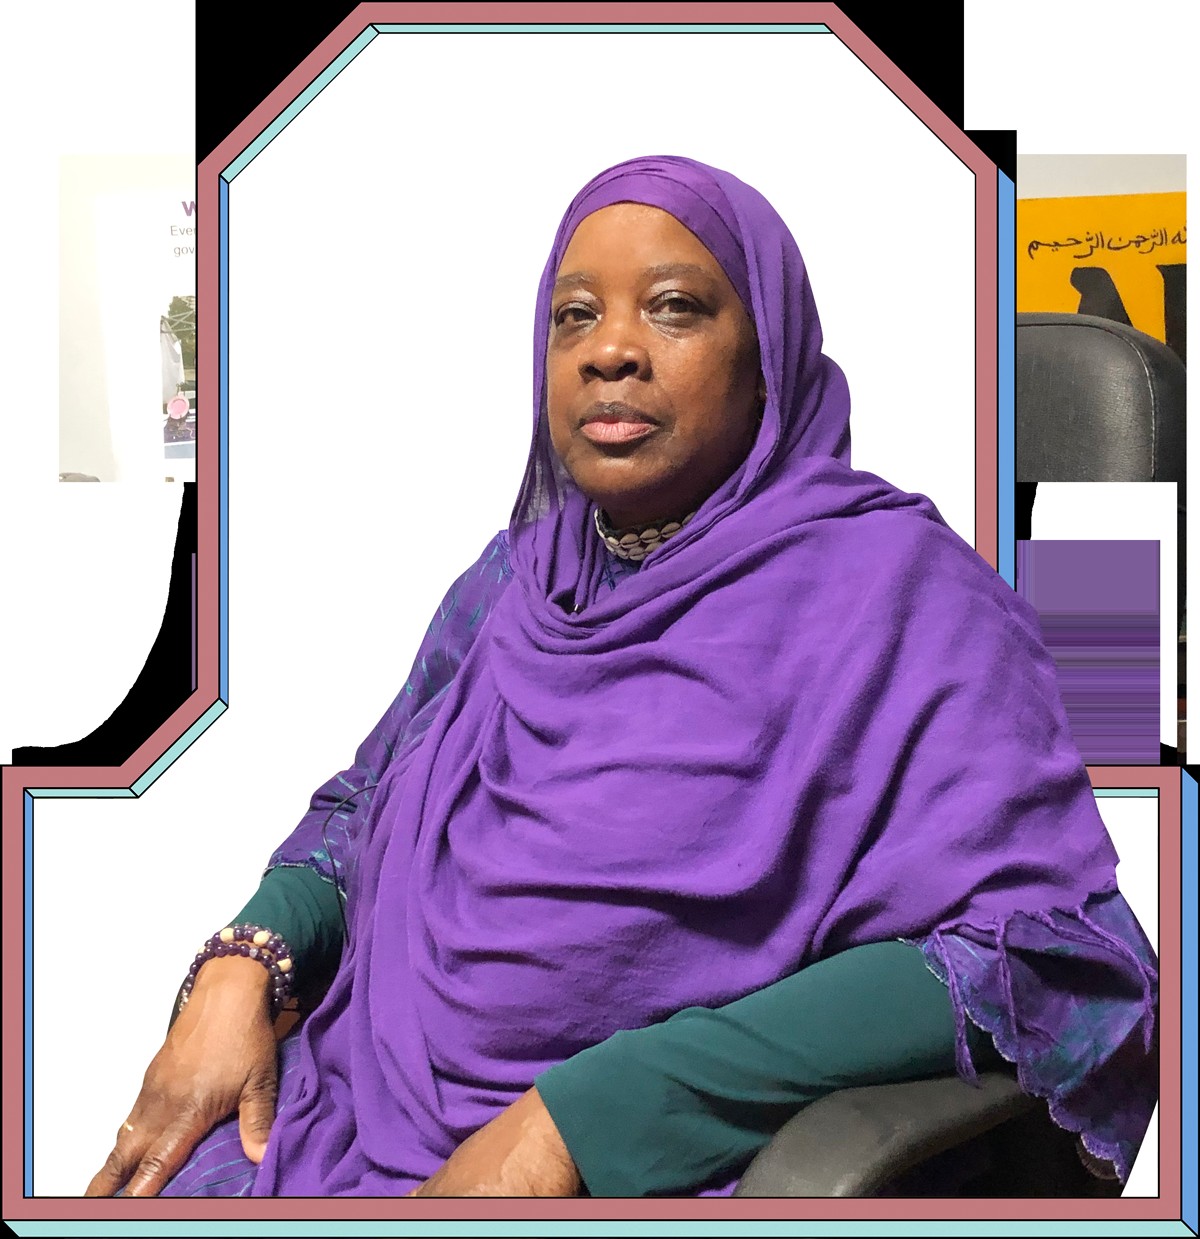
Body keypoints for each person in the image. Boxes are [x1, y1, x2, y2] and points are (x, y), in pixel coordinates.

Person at [86, 156, 1157, 1199]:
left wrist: (585, 1117)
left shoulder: (904, 594)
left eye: (676, 308)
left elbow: (1042, 953)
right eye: (575, 316)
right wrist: (243, 964)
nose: (610, 351)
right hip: (356, 1109)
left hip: (663, 1165)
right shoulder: (519, 580)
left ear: (768, 358)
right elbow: (367, 806)